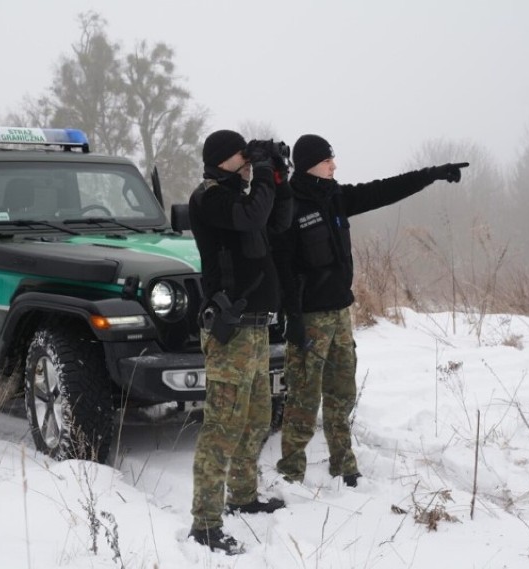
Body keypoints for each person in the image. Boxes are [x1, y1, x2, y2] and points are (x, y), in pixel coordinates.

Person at [273, 134, 468, 488]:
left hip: (339, 314)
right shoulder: (290, 206)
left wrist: (433, 173)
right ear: (309, 165)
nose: (334, 165)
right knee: (303, 397)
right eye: (327, 160)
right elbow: (282, 270)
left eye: (333, 159)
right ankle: (290, 471)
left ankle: (343, 465)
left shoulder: (336, 197)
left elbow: (386, 190)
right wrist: (293, 320)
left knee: (342, 393)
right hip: (310, 319)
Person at [187, 129, 293, 554]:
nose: (247, 161)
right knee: (222, 427)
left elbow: (278, 221)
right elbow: (250, 215)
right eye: (241, 155)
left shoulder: (245, 194)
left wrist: (278, 177)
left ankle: (243, 497)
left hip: (254, 329)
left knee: (255, 419)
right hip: (229, 333)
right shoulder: (210, 197)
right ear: (220, 160)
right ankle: (205, 524)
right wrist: (263, 174)